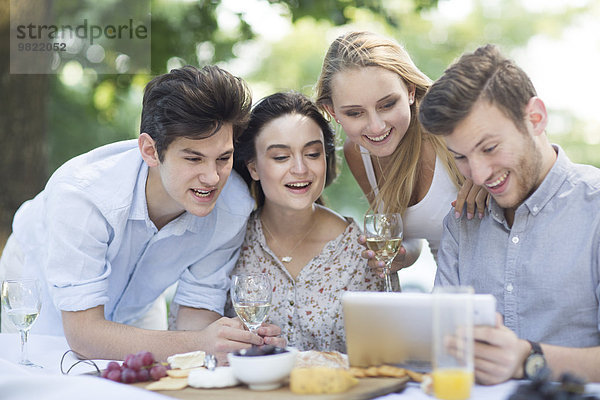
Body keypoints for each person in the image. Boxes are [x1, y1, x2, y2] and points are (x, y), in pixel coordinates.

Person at [0, 65, 283, 364]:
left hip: (141, 299)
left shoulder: (233, 206)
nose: (212, 178)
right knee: (53, 372)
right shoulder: (82, 196)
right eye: (193, 158)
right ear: (150, 150)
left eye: (223, 158)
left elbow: (196, 315)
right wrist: (198, 343)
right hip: (42, 282)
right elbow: (83, 335)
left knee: (148, 378)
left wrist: (222, 343)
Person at [418, 44, 600, 384]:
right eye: (460, 157)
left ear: (535, 119)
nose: (479, 174)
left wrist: (528, 359)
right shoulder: (462, 224)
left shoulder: (595, 210)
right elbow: (440, 341)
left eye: (489, 148)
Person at [315, 31, 484, 287]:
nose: (375, 126)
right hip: (455, 296)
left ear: (410, 91)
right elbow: (411, 235)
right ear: (332, 112)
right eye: (355, 113)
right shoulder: (358, 153)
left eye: (387, 105)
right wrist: (400, 257)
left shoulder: (448, 130)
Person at [224, 91, 383, 352]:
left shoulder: (360, 251)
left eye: (312, 154)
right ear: (253, 167)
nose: (300, 169)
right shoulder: (230, 240)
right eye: (281, 157)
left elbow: (388, 352)